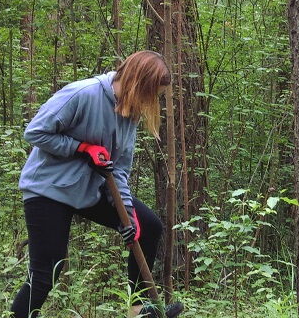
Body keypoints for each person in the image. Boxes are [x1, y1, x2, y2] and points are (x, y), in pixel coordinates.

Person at [9, 51, 177, 318]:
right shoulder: (83, 94)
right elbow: (35, 132)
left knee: (147, 226)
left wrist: (127, 214)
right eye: (152, 92)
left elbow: (119, 167)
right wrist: (82, 148)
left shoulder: (129, 113)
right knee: (46, 271)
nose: (152, 100)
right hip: (48, 188)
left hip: (88, 189)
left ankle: (138, 310)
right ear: (139, 83)